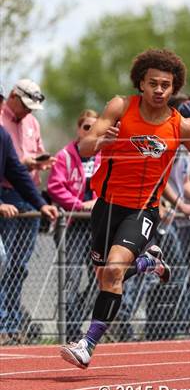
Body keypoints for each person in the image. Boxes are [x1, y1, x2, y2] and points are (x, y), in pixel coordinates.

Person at [60, 48, 190, 369]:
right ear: (141, 83)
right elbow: (84, 147)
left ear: (173, 88)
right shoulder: (120, 107)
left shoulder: (181, 126)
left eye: (166, 85)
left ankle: (88, 344)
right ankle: (147, 263)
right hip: (107, 205)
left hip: (143, 210)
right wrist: (103, 142)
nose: (159, 90)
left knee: (114, 270)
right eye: (153, 83)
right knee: (105, 276)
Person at [0, 79, 56, 340]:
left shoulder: (31, 123)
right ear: (12, 96)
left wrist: (42, 203)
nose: (28, 111)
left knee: (19, 266)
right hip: (6, 195)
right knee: (4, 261)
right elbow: (13, 167)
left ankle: (10, 325)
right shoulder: (1, 120)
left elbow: (20, 167)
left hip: (26, 195)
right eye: (24, 105)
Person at [47, 109, 101, 341]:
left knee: (100, 278)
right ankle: (68, 331)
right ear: (78, 129)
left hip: (97, 224)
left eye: (94, 127)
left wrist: (98, 202)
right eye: (86, 127)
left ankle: (77, 322)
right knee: (71, 277)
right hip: (72, 225)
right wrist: (80, 205)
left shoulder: (103, 154)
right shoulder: (64, 156)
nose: (90, 131)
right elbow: (55, 186)